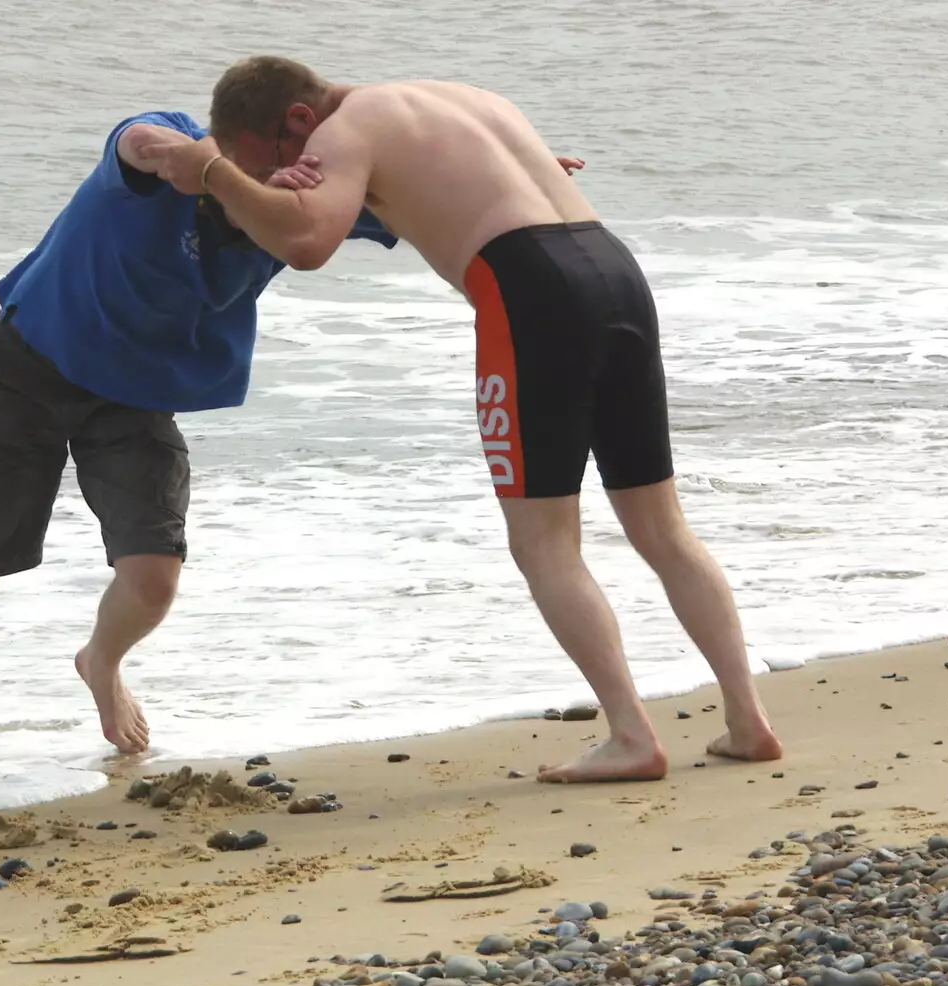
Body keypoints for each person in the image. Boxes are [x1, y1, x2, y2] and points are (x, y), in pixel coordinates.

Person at [137, 57, 784, 783]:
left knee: (544, 540)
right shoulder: (463, 98)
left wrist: (211, 174)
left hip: (530, 293)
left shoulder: (346, 129)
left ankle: (633, 734)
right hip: (615, 272)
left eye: (275, 163)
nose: (286, 177)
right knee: (661, 526)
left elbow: (306, 243)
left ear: (296, 119)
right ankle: (748, 719)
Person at [0, 109, 399, 774]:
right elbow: (141, 144)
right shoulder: (165, 144)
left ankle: (100, 662)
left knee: (152, 581)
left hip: (136, 392)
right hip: (30, 366)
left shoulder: (296, 207)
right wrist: (219, 172)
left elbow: (421, 203)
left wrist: (513, 178)